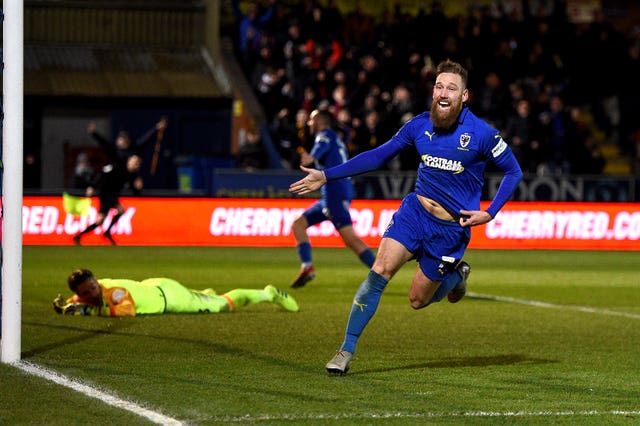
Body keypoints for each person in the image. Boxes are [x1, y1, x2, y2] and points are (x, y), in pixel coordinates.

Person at [289, 60, 523, 375]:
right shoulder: (419, 125)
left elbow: (513, 170)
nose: (443, 92)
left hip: (450, 230)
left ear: (464, 96)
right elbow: (377, 155)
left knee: (417, 300)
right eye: (439, 86)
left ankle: (456, 278)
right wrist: (326, 176)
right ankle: (345, 350)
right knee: (379, 271)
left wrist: (490, 212)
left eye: (451, 88)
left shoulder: (481, 133)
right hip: (414, 213)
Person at [290, 109, 376, 288]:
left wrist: (308, 157)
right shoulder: (335, 138)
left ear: (320, 121)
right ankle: (307, 268)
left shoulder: (324, 136)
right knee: (298, 224)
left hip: (334, 194)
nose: (309, 123)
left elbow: (313, 156)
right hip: (332, 194)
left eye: (312, 120)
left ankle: (380, 271)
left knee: (351, 239)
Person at [54, 268, 298, 316]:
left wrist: (83, 312)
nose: (92, 293)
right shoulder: (93, 290)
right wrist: (67, 304)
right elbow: (78, 299)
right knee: (206, 296)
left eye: (93, 287)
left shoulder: (114, 293)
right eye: (87, 292)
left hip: (171, 298)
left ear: (97, 281)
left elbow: (127, 310)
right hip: (156, 286)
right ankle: (204, 293)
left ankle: (268, 293)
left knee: (220, 305)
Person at [72, 154, 143, 246]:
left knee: (100, 221)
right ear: (129, 161)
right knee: (121, 210)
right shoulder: (118, 167)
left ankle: (78, 236)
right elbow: (103, 172)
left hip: (113, 195)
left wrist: (138, 188)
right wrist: (93, 187)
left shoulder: (133, 175)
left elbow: (135, 192)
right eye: (134, 162)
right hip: (105, 193)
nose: (136, 165)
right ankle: (107, 232)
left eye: (138, 163)